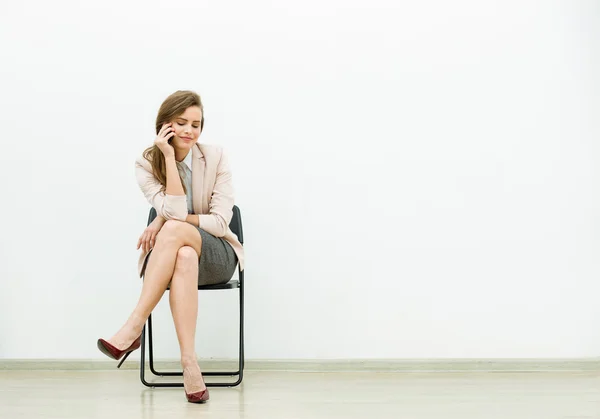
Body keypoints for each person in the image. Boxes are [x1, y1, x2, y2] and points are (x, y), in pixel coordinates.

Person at [97, 90, 245, 404]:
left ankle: (133, 325)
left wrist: (161, 222)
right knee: (185, 254)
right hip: (178, 258)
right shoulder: (146, 163)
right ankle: (190, 364)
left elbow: (219, 224)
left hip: (218, 255)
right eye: (182, 123)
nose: (190, 131)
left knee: (178, 231)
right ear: (165, 126)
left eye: (196, 124)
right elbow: (174, 213)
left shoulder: (216, 156)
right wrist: (166, 156)